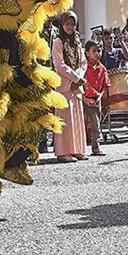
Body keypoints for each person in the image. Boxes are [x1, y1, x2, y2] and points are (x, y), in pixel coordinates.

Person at [51, 11, 87, 162]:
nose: (70, 27)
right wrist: (75, 78)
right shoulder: (57, 42)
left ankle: (77, 150)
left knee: (77, 119)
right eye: (67, 24)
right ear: (62, 24)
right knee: (65, 120)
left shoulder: (77, 42)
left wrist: (79, 77)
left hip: (76, 86)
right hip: (65, 86)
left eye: (73, 24)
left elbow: (83, 62)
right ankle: (63, 152)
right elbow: (59, 65)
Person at [82, 40, 109, 157]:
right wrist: (84, 98)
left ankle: (96, 148)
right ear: (87, 53)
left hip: (96, 100)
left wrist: (99, 98)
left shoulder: (102, 68)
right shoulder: (83, 67)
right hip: (83, 98)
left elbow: (105, 85)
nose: (97, 53)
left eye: (99, 50)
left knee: (96, 125)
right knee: (81, 124)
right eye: (94, 51)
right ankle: (80, 148)